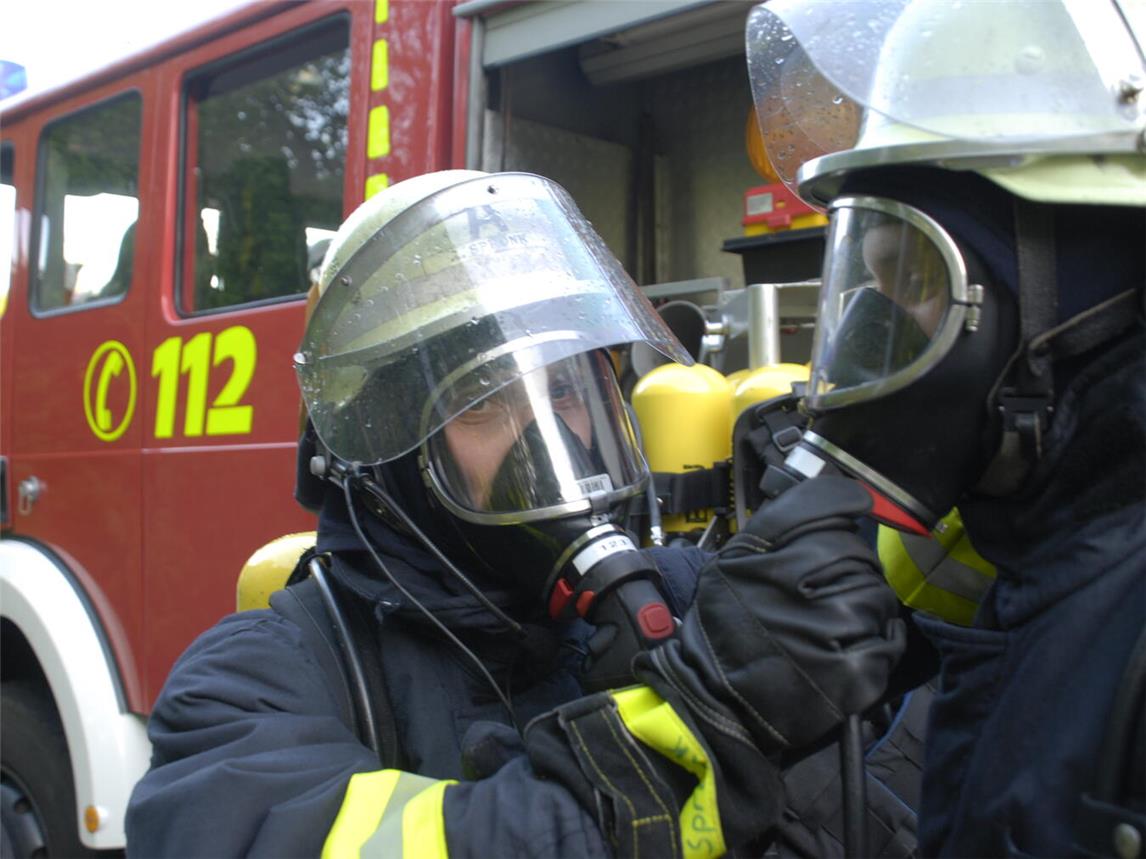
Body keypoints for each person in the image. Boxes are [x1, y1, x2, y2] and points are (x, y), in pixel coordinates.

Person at [126, 170, 904, 857]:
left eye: (565, 390)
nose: (552, 433)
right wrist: (702, 732)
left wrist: (844, 515)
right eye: (486, 403)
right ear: (388, 455)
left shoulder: (692, 593)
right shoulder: (254, 681)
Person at [747, 0, 1145, 855]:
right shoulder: (1013, 550)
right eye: (867, 281)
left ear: (1076, 297)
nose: (870, 343)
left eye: (916, 279)